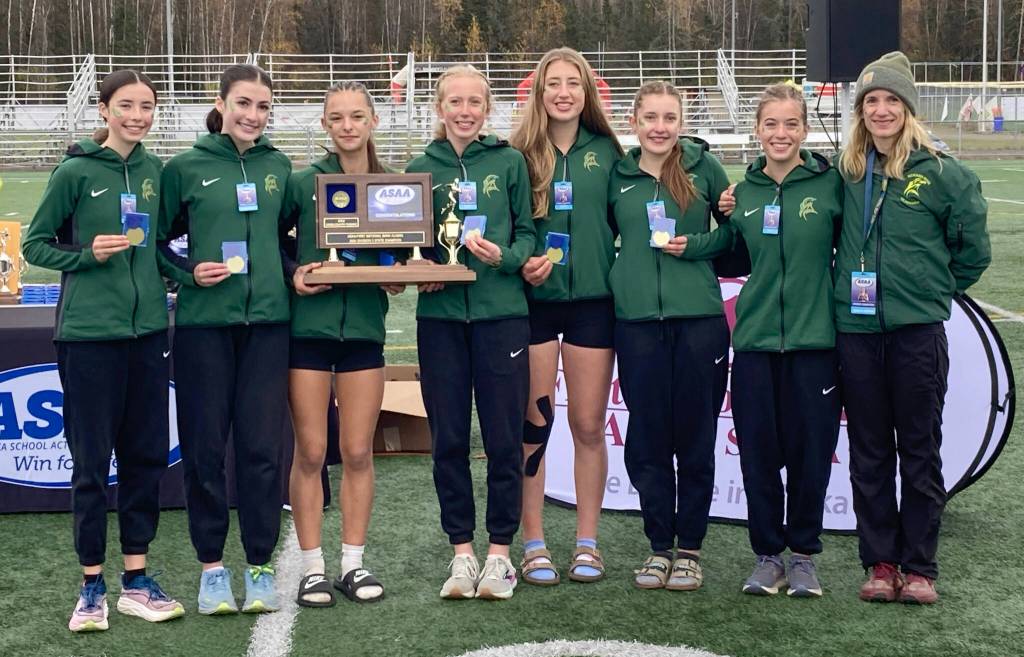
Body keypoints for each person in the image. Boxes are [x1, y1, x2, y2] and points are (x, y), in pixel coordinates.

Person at [24, 69, 184, 632]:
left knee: (144, 458)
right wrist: (87, 253)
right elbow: (34, 243)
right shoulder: (74, 171)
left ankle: (136, 580)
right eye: (126, 106)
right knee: (92, 463)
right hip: (89, 339)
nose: (137, 116)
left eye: (147, 106)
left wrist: (190, 275)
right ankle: (90, 584)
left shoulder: (154, 172)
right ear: (103, 110)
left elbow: (159, 250)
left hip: (146, 338)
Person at [835, 52, 990, 604]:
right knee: (870, 451)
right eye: (871, 101)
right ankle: (880, 562)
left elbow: (973, 250)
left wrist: (931, 291)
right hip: (856, 332)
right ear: (860, 111)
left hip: (916, 334)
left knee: (920, 449)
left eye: (891, 100)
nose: (881, 110)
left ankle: (920, 565)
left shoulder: (942, 173)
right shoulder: (848, 173)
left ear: (908, 108)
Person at [688, 83, 844, 597]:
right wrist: (704, 229)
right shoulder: (743, 193)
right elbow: (732, 255)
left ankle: (803, 555)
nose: (781, 133)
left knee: (810, 454)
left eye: (791, 124)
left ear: (804, 129)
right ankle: (767, 555)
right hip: (754, 343)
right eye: (771, 124)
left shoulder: (830, 185)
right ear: (757, 130)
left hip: (814, 343)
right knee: (758, 454)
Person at [157, 64, 293, 615]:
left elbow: (287, 241)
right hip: (202, 329)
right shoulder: (185, 167)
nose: (252, 116)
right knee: (206, 451)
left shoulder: (279, 166)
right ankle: (212, 568)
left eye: (262, 107)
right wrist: (189, 275)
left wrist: (294, 273)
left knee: (261, 451)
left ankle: (259, 564)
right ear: (221, 103)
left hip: (267, 327)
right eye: (243, 103)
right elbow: (156, 244)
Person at [405, 64, 536, 600]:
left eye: (474, 102)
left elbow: (529, 233)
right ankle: (461, 552)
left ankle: (501, 553)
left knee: (505, 439)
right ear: (439, 108)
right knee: (450, 441)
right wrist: (424, 268)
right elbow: (404, 244)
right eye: (454, 102)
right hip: (439, 323)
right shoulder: (419, 166)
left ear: (488, 108)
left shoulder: (508, 162)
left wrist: (507, 257)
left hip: (501, 313)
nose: (464, 111)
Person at [280, 81, 402, 607]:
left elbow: (407, 253)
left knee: (356, 450)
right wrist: (295, 274)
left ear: (373, 121)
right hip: (308, 331)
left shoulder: (397, 187)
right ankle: (312, 566)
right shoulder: (301, 182)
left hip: (364, 335)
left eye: (357, 116)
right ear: (326, 125)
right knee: (311, 451)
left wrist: (404, 273)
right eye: (337, 118)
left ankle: (352, 562)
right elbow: (273, 245)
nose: (348, 126)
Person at [606, 80, 731, 591]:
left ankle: (691, 549)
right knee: (648, 438)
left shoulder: (705, 169)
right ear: (634, 123)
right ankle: (659, 546)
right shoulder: (618, 176)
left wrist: (695, 245)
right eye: (650, 118)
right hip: (636, 322)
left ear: (681, 123)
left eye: (670, 118)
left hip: (699, 321)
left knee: (696, 436)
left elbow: (733, 233)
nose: (660, 127)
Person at [509, 47, 623, 586]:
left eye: (572, 83)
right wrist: (520, 261)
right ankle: (533, 541)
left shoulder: (609, 151)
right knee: (535, 425)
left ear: (587, 92)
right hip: (532, 305)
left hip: (593, 307)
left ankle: (586, 542)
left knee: (586, 426)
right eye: (552, 83)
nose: (562, 92)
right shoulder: (519, 153)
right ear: (539, 92)